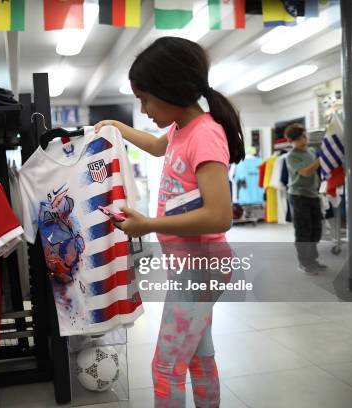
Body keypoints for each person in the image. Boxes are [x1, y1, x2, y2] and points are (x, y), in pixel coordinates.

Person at [95, 37, 244, 407]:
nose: (143, 108)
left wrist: (149, 225)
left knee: (166, 368)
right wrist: (117, 127)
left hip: (202, 266)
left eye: (145, 98)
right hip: (191, 266)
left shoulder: (206, 134)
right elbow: (156, 145)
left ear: (171, 89)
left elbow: (219, 215)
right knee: (198, 355)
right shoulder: (181, 129)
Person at [284, 123, 326, 275]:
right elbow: (306, 172)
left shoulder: (312, 151)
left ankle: (313, 260)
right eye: (299, 138)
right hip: (298, 196)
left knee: (316, 230)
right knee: (303, 231)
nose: (303, 140)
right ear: (291, 141)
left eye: (304, 136)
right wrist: (321, 160)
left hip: (313, 194)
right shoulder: (291, 156)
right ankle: (304, 262)